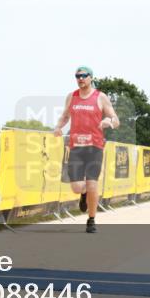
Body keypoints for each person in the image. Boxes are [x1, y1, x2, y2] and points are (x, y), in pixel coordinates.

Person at [53, 66, 119, 233]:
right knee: (76, 187)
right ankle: (83, 194)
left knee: (92, 184)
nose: (80, 78)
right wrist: (58, 127)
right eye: (77, 76)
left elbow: (115, 119)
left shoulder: (100, 97)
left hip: (94, 147)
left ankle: (91, 220)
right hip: (76, 147)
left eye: (84, 75)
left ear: (91, 78)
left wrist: (109, 122)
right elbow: (65, 116)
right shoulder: (72, 96)